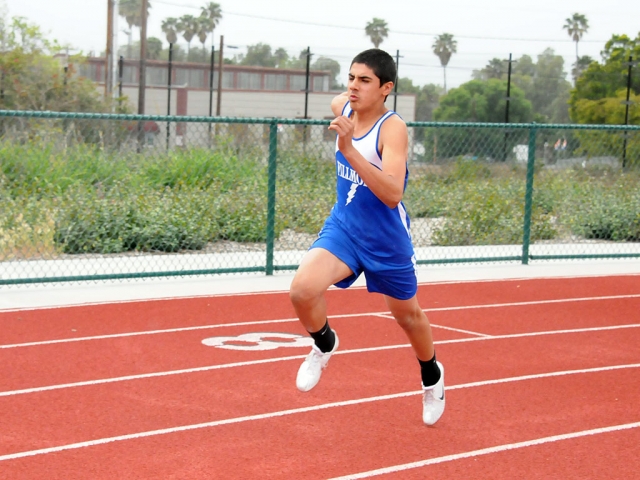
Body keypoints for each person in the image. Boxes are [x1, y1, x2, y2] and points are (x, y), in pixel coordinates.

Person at [289, 49, 445, 425]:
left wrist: (347, 150)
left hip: (385, 239)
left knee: (408, 317)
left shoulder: (392, 128)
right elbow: (337, 100)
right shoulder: (346, 107)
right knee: (302, 290)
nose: (353, 87)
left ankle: (432, 376)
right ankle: (324, 343)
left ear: (386, 88)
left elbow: (393, 193)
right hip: (344, 227)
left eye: (364, 80)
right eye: (351, 78)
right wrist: (342, 103)